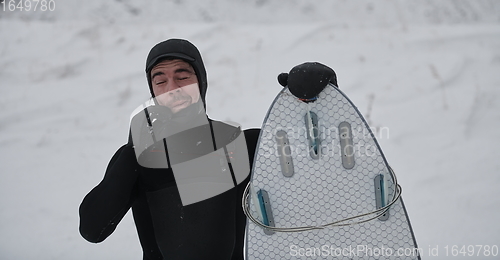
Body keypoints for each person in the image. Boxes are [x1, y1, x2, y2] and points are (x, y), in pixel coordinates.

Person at [79, 38, 260, 260]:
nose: (172, 89)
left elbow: (305, 156)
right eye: (160, 81)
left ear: (201, 82)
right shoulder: (138, 157)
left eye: (183, 77)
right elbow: (92, 229)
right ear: (152, 90)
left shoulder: (241, 144)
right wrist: (132, 156)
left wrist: (308, 96)